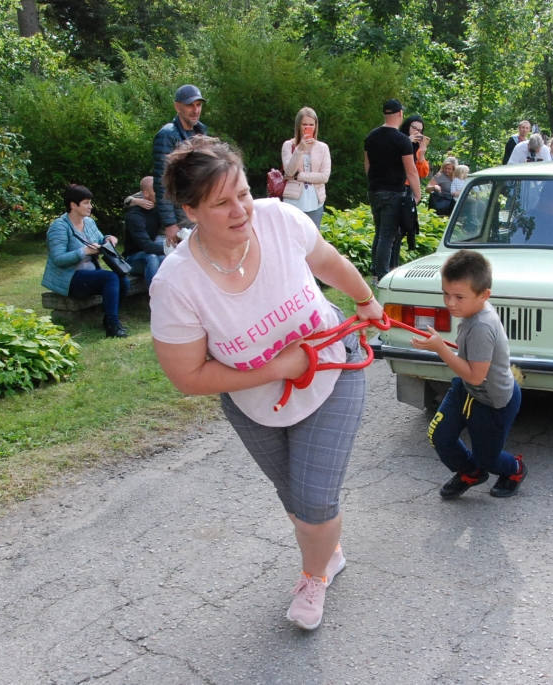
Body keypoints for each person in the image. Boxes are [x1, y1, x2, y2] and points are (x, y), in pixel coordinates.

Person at [150, 135, 382, 631]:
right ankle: (327, 550)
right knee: (297, 499)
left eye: (243, 193)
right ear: (190, 210)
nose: (240, 210)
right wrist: (279, 367)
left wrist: (365, 300)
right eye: (221, 203)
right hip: (255, 400)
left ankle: (313, 576)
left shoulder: (278, 219)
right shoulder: (176, 284)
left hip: (333, 368)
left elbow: (326, 262)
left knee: (315, 501)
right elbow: (187, 376)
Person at [411, 250, 526, 499]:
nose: (450, 303)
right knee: (439, 435)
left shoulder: (482, 325)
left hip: (493, 400)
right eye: (446, 294)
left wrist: (440, 347)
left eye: (459, 297)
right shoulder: (473, 309)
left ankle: (514, 469)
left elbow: (476, 376)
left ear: (484, 295)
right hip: (467, 390)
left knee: (489, 459)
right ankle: (470, 472)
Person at [42, 185, 129, 338]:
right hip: (69, 279)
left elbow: (100, 239)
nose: (90, 206)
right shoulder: (59, 227)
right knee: (110, 277)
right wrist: (84, 252)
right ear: (73, 205)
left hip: (91, 275)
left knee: (123, 279)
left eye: (90, 202)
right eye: (86, 203)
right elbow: (58, 259)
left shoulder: (88, 222)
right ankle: (112, 325)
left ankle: (109, 319)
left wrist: (109, 238)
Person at [364, 99, 420, 284]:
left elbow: (367, 165)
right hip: (394, 192)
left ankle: (375, 273)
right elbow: (411, 170)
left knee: (379, 232)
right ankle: (382, 275)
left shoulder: (371, 137)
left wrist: (375, 181)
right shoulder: (402, 140)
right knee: (387, 235)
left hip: (374, 190)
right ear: (400, 114)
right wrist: (417, 194)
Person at [153, 85, 208, 247]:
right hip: (180, 215)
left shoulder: (201, 133)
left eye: (198, 105)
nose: (195, 110)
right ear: (177, 107)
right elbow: (162, 182)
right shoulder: (167, 135)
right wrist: (170, 224)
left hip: (199, 209)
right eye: (190, 105)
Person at [281, 107, 332, 229]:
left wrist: (299, 176)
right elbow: (289, 171)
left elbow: (324, 176)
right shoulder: (288, 145)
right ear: (298, 125)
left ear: (316, 126)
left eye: (311, 124)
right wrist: (300, 149)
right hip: (293, 201)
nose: (308, 128)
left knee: (313, 239)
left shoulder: (323, 148)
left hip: (315, 201)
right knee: (292, 238)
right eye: (304, 124)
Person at [123, 176, 165, 286]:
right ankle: (154, 300)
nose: (161, 193)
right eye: (156, 191)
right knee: (152, 258)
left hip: (152, 250)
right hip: (133, 258)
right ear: (146, 194)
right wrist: (173, 248)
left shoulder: (158, 208)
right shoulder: (135, 216)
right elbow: (147, 246)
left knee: (167, 258)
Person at [400, 115, 430, 182]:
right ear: (408, 126)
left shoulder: (418, 147)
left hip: (411, 184)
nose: (416, 132)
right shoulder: (397, 139)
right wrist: (407, 142)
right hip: (395, 183)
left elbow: (423, 174)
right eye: (414, 128)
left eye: (419, 130)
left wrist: (422, 156)